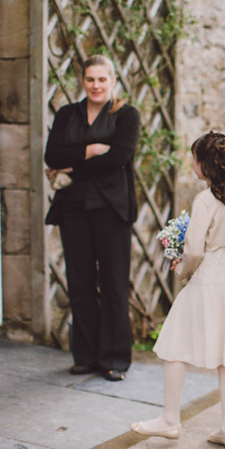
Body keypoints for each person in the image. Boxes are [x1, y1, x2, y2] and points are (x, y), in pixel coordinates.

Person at [131, 132, 225, 446]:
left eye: (195, 157)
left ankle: (169, 420)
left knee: (173, 344)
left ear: (207, 164)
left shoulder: (205, 200)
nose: (191, 163)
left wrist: (180, 272)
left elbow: (194, 251)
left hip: (208, 281)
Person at [45, 55, 140, 381]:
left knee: (114, 284)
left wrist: (72, 166)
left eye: (102, 79)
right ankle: (84, 356)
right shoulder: (67, 114)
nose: (96, 85)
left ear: (113, 80)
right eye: (90, 79)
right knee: (80, 282)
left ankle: (115, 359)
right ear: (82, 81)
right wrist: (88, 151)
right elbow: (51, 155)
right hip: (73, 208)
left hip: (112, 210)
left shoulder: (127, 115)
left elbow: (119, 158)